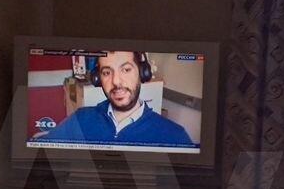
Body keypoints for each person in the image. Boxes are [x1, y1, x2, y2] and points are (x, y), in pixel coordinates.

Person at [43, 51, 194, 147]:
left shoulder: (175, 136)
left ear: (142, 73)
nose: (116, 81)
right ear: (98, 79)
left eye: (126, 70)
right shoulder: (81, 119)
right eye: (107, 72)